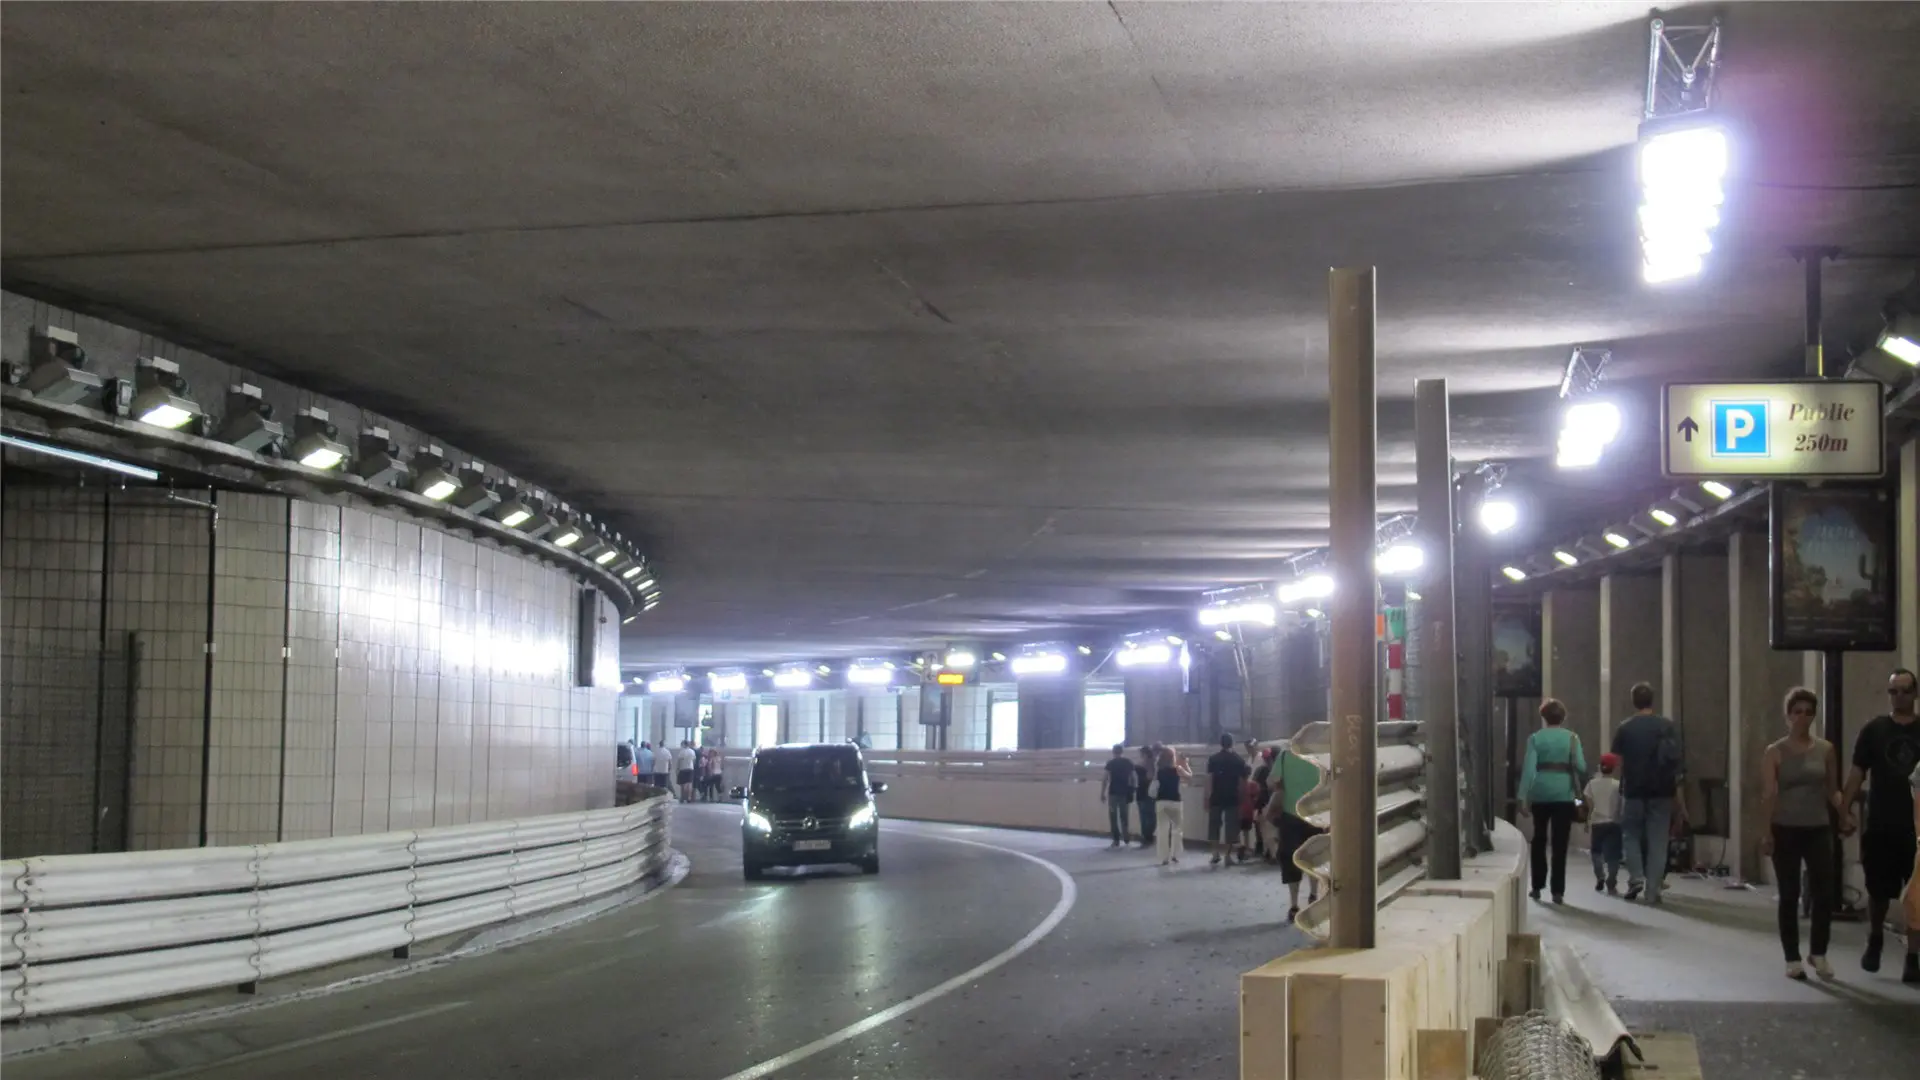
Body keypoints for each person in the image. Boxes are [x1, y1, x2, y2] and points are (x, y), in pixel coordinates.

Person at [1840, 668, 1920, 981]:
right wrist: (1844, 809)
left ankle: (1913, 956)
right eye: (1893, 691)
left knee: (1916, 895)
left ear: (1915, 693)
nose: (1899, 696)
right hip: (1882, 822)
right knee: (1878, 891)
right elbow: (1857, 773)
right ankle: (1875, 937)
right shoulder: (1874, 730)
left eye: (1905, 690)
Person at [1758, 687, 1840, 981]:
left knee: (1824, 891)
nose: (1803, 718)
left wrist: (1845, 812)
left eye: (1808, 712)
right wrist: (1766, 832)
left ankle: (1819, 951)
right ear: (1788, 715)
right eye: (1797, 712)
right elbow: (1769, 793)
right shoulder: (1775, 751)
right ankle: (1791, 957)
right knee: (1790, 893)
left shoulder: (1826, 750)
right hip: (1786, 827)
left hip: (1817, 826)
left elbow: (1832, 790)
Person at [1612, 681, 1683, 904]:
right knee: (1658, 840)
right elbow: (1676, 763)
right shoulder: (1666, 726)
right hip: (1662, 791)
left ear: (1634, 702)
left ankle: (1635, 878)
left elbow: (1618, 762)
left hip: (1633, 789)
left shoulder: (1625, 727)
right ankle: (1653, 891)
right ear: (1652, 700)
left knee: (1630, 835)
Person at [1519, 698, 1588, 904]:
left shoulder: (1535, 738)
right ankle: (1558, 891)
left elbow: (1529, 769)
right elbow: (1582, 767)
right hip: (1564, 795)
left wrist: (1523, 796)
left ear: (1544, 717)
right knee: (1560, 843)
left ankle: (1537, 886)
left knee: (1539, 840)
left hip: (1540, 793)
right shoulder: (1572, 739)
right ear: (1563, 717)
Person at [1268, 743, 1323, 921]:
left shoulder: (1285, 756)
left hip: (1291, 815)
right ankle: (1314, 895)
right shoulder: (1320, 756)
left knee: (1291, 859)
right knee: (1314, 857)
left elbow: (1271, 781)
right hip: (1316, 815)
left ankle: (1293, 905)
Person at [1205, 734, 1251, 867]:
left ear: (1221, 743)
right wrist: (1242, 799)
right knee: (1231, 827)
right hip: (1233, 797)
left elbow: (1209, 779)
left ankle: (1215, 853)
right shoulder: (1238, 760)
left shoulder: (1213, 759)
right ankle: (1227, 855)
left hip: (1216, 796)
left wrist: (1207, 797)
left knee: (1214, 824)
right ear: (1233, 743)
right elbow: (1242, 783)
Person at [1584, 753, 1623, 894]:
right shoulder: (1618, 785)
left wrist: (1587, 822)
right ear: (1614, 769)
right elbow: (1621, 806)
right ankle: (1611, 881)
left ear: (1600, 767)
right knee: (1613, 855)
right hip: (1614, 823)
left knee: (1596, 852)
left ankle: (1600, 876)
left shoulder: (1591, 784)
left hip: (1597, 822)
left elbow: (1590, 805)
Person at [1153, 746, 1190, 867]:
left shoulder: (1159, 770)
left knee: (1163, 830)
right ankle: (1175, 854)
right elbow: (1189, 776)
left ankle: (1164, 857)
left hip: (1161, 801)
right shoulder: (1177, 769)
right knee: (1177, 830)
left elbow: (1154, 784)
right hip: (1175, 801)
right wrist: (1185, 763)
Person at [1099, 743, 1135, 847]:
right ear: (1122, 752)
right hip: (1125, 793)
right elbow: (1133, 777)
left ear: (1113, 752)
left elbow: (1105, 779)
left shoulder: (1110, 763)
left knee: (1113, 816)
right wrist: (1132, 790)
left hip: (1113, 793)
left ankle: (1116, 839)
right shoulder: (1128, 762)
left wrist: (1102, 793)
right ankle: (1126, 836)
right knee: (1124, 816)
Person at [1134, 746, 1158, 849]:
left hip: (1142, 792)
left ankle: (1146, 838)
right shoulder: (1153, 763)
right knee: (1151, 816)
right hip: (1151, 793)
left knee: (1144, 817)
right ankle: (1149, 837)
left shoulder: (1140, 765)